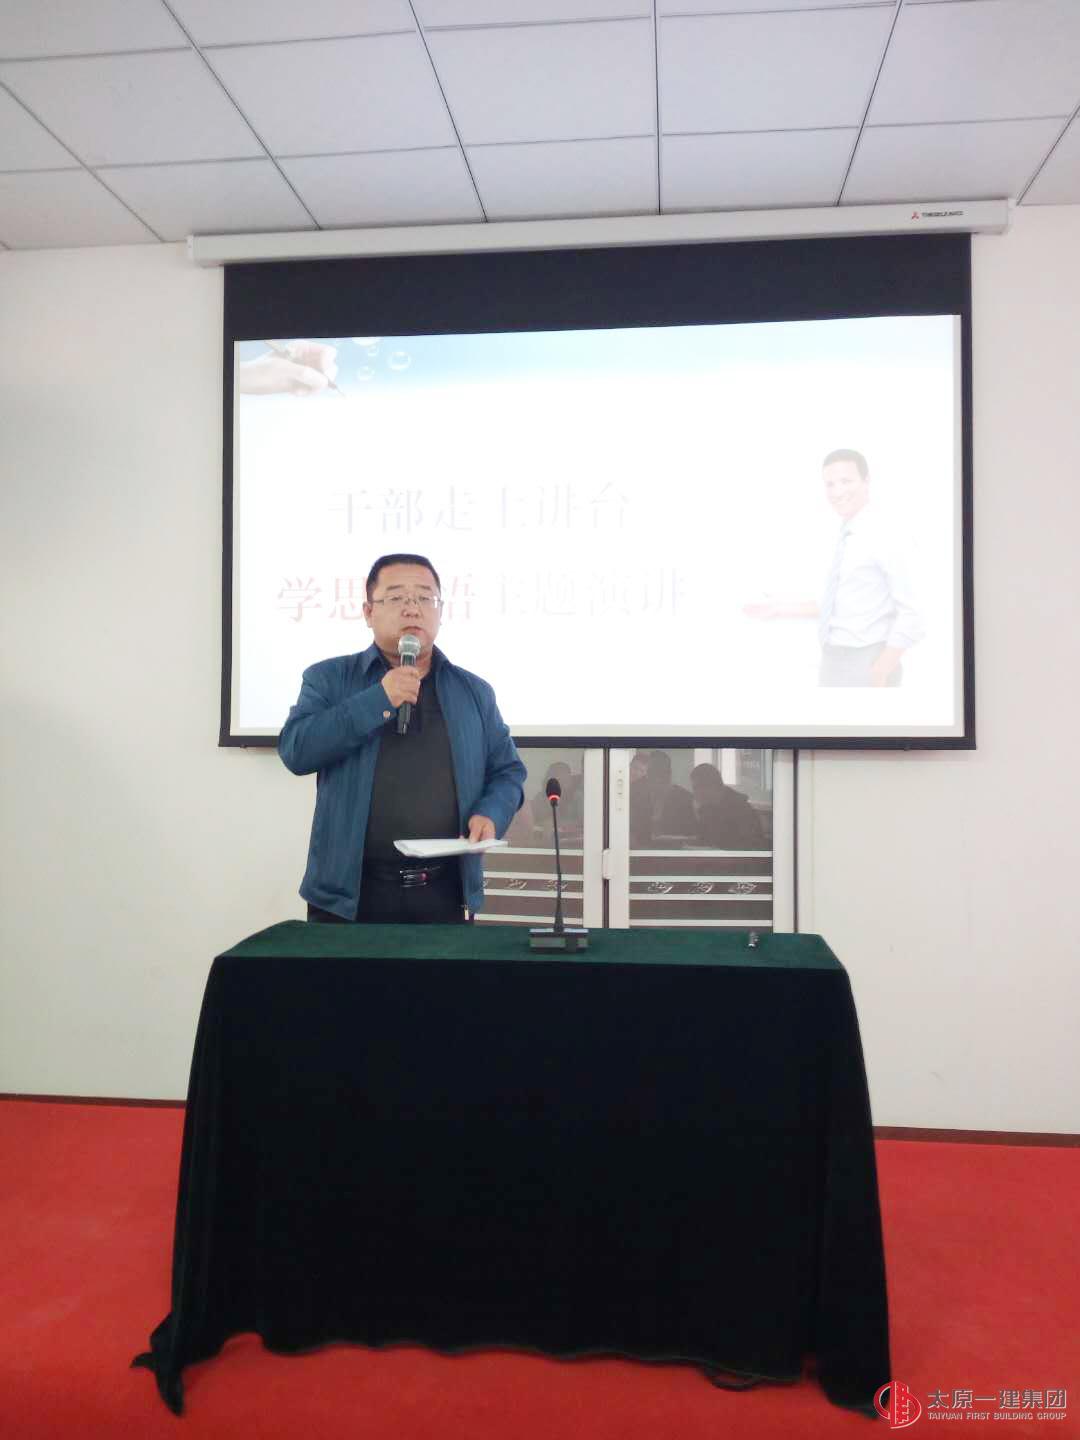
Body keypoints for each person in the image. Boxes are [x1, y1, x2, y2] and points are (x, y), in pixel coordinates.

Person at [279, 552, 526, 923]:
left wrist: (490, 813)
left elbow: (508, 771)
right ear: (368, 612)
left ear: (440, 611)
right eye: (396, 597)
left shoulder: (474, 692)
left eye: (425, 597)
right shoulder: (328, 679)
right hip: (347, 898)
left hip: (445, 893)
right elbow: (297, 751)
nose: (412, 609)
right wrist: (379, 700)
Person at [744, 449, 924, 687]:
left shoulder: (888, 534)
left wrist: (881, 670)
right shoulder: (846, 535)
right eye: (830, 484)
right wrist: (777, 608)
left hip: (867, 660)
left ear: (866, 481)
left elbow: (915, 612)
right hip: (834, 659)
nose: (837, 492)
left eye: (846, 481)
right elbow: (836, 606)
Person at [690, 764, 766, 850]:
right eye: (694, 788)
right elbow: (704, 840)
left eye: (696, 787)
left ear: (712, 785)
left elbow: (751, 846)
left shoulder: (742, 809)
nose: (694, 793)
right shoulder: (706, 808)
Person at [629, 750, 696, 848]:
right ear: (648, 774)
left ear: (669, 774)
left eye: (661, 773)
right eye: (652, 772)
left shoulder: (684, 798)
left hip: (674, 853)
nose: (657, 779)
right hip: (638, 853)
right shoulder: (634, 792)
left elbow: (691, 836)